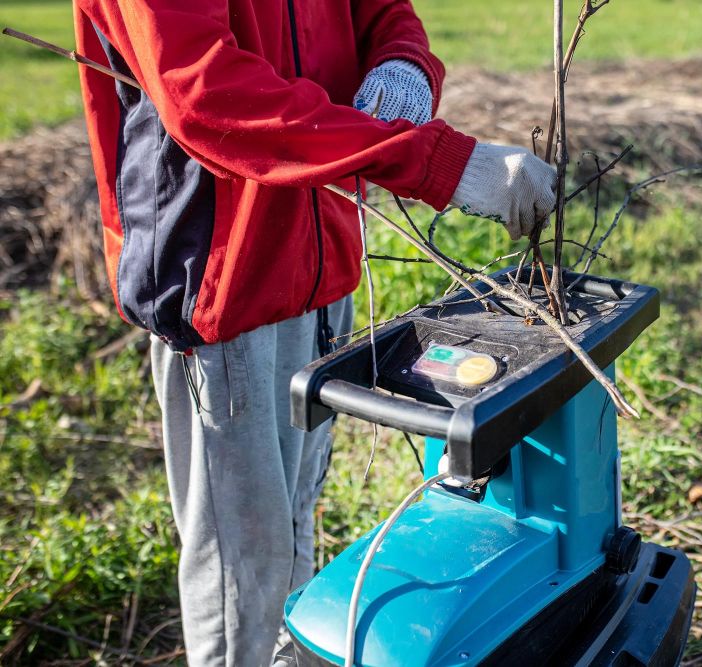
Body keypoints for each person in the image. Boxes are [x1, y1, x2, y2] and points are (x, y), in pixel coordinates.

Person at [72, 1, 557, 664]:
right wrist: (438, 163)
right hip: (223, 283)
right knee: (242, 566)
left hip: (323, 261)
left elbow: (383, 10)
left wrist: (403, 62)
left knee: (295, 522)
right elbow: (205, 95)